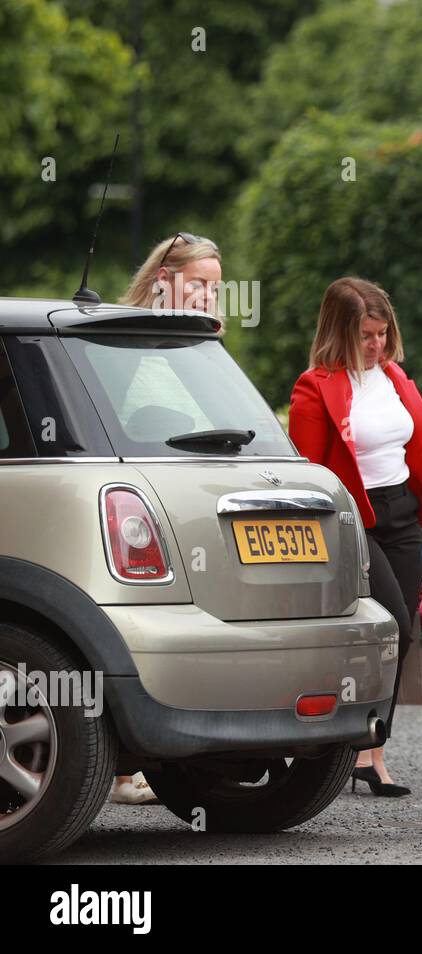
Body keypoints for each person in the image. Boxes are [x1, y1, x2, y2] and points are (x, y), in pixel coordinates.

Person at [289, 277, 422, 797]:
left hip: (403, 511)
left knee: (406, 628)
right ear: (340, 332)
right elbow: (308, 470)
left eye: (382, 333)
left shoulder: (395, 376)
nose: (376, 345)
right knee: (387, 624)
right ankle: (351, 746)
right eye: (365, 336)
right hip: (353, 517)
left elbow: (416, 445)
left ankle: (373, 756)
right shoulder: (315, 385)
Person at [110, 231, 223, 805]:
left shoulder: (192, 346)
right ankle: (124, 769)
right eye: (198, 284)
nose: (208, 296)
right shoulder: (126, 342)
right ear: (164, 283)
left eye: (215, 287)